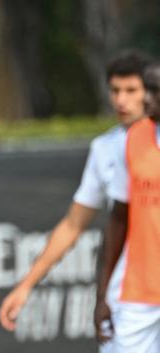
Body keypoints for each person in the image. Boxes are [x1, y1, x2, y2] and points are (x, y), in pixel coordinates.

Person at [0, 50, 151, 336]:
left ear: (151, 94)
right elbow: (73, 225)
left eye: (132, 90)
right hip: (129, 297)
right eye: (115, 91)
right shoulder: (104, 148)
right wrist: (25, 285)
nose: (121, 100)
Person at [94, 63, 160, 353]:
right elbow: (118, 219)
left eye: (155, 92)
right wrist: (102, 295)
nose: (147, 99)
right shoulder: (133, 139)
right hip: (139, 293)